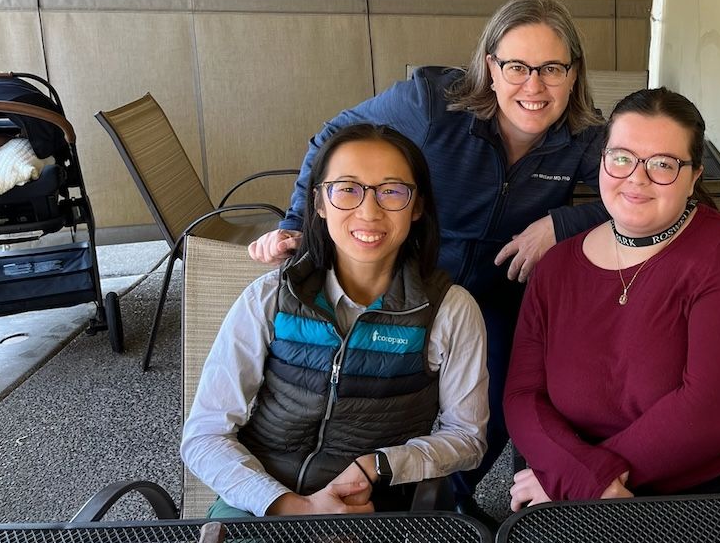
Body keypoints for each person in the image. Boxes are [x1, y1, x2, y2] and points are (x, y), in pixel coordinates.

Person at [247, 0, 608, 495]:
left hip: (501, 291)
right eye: (517, 67)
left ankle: (443, 508)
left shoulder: (585, 136)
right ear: (490, 65)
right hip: (410, 277)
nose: (534, 85)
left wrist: (561, 223)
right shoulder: (433, 104)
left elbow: (639, 193)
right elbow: (335, 135)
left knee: (505, 397)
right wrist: (295, 222)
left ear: (573, 73)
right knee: (377, 396)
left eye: (551, 68)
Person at [505, 88, 720, 509]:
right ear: (602, 161)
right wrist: (578, 473)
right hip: (589, 477)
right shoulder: (556, 268)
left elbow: (715, 409)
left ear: (695, 174)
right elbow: (523, 395)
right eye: (622, 157)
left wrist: (585, 480)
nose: (636, 178)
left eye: (663, 164)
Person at [181, 124, 489, 517]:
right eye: (347, 189)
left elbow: (466, 437)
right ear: (320, 203)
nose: (369, 210)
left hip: (370, 505)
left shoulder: (451, 309)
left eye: (392, 191)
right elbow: (205, 434)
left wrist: (379, 465)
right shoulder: (269, 297)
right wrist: (287, 504)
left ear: (417, 206)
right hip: (261, 502)